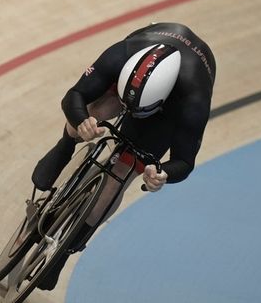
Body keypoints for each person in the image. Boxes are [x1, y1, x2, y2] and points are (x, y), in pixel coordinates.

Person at [30, 22, 216, 291]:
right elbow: (75, 95)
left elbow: (185, 161)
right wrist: (82, 121)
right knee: (92, 114)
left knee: (121, 173)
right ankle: (65, 145)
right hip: (131, 78)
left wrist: (162, 172)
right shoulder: (121, 55)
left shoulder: (193, 101)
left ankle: (66, 252)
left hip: (168, 111)